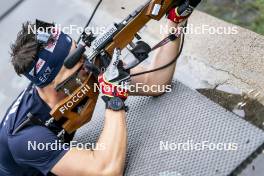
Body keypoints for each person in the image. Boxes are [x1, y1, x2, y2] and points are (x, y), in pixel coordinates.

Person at [0, 0, 201, 175]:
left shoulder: (80, 74)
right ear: (54, 81)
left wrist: (176, 20)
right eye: (77, 60)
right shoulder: (25, 137)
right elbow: (107, 170)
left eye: (80, 49)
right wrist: (114, 100)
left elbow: (156, 83)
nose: (86, 61)